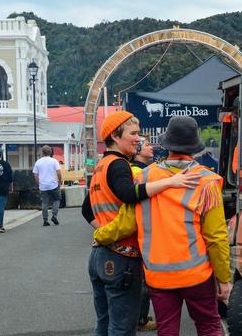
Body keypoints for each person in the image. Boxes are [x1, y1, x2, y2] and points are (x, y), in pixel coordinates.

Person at [94, 116, 232, 336]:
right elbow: (216, 237)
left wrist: (101, 236)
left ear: (166, 145)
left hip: (158, 274)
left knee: (167, 330)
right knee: (208, 325)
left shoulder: (145, 178)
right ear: (195, 149)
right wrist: (224, 278)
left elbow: (126, 223)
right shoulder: (207, 182)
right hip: (196, 273)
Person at [81, 111, 199, 336]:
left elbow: (87, 209)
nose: (138, 138)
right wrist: (170, 181)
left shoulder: (101, 166)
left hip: (100, 257)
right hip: (121, 258)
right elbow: (129, 194)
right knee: (122, 328)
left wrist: (103, 233)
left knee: (104, 325)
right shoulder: (119, 165)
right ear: (116, 137)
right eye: (133, 133)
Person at [129, 137, 158, 332]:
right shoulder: (139, 172)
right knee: (143, 279)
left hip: (137, 231)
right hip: (141, 231)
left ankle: (140, 316)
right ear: (138, 150)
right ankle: (140, 320)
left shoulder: (131, 168)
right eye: (147, 145)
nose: (151, 147)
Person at [33, 145, 62, 226]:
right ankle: (54, 215)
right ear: (50, 152)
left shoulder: (38, 162)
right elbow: (59, 173)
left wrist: (38, 183)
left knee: (45, 203)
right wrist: (59, 182)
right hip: (53, 185)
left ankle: (45, 220)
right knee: (57, 199)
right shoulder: (54, 161)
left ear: (42, 152)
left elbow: (35, 174)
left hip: (43, 186)